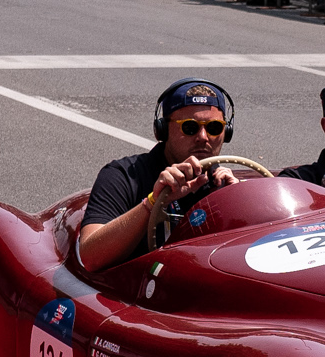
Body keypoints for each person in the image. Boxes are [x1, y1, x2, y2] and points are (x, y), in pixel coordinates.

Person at [75, 80, 243, 271]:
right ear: (162, 130)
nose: (203, 137)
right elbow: (90, 257)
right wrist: (152, 202)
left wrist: (239, 204)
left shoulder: (226, 184)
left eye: (214, 128)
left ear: (226, 131)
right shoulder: (124, 175)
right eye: (190, 127)